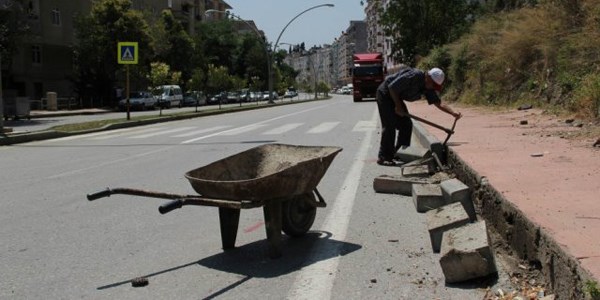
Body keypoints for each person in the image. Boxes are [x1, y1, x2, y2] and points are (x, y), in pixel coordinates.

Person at [376, 67, 462, 166]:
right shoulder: (414, 75)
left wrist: (452, 112)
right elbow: (392, 87)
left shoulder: (428, 87)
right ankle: (384, 157)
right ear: (428, 77)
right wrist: (398, 106)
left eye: (435, 86)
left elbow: (438, 103)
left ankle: (399, 153)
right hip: (385, 94)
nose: (433, 87)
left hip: (396, 97)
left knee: (406, 125)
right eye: (433, 84)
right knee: (389, 125)